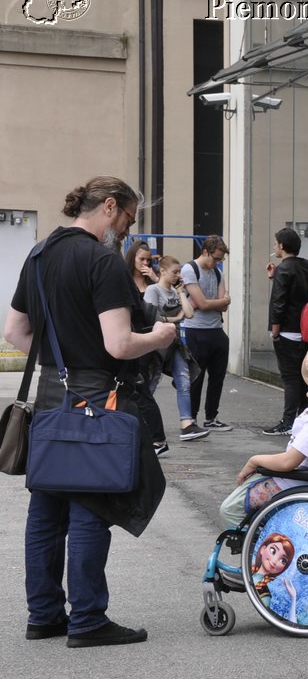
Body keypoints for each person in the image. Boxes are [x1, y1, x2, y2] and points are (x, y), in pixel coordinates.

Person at [4, 176, 177, 647]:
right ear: (108, 206)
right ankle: (86, 620)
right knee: (89, 506)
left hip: (50, 396)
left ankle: (43, 616)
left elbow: (15, 332)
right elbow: (119, 343)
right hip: (96, 397)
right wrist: (160, 337)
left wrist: (58, 358)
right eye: (127, 218)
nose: (126, 229)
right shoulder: (102, 261)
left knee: (46, 508)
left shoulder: (39, 255)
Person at [220, 363, 308, 525]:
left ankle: (265, 543)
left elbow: (288, 462)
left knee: (229, 509)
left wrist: (254, 460)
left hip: (296, 484)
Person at [144, 254, 208, 442]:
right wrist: (175, 318)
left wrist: (181, 291)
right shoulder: (153, 290)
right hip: (156, 344)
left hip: (174, 344)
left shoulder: (174, 292)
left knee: (184, 380)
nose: (178, 275)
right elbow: (152, 317)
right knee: (150, 384)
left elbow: (188, 314)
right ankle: (143, 421)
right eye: (175, 272)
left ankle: (187, 424)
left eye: (179, 272)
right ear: (162, 271)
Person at [264, 227, 308, 435]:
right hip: (304, 329)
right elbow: (303, 291)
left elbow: (279, 302)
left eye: (276, 244)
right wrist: (274, 277)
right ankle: (305, 416)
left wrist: (275, 332)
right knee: (303, 377)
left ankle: (287, 422)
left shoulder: (284, 268)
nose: (274, 247)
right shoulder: (305, 265)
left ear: (282, 246)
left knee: (290, 378)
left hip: (286, 331)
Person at [180, 235, 233, 431]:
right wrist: (220, 302)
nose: (218, 263)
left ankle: (211, 417)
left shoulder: (217, 273)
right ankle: (191, 419)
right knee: (197, 377)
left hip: (216, 330)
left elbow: (222, 307)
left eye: (220, 259)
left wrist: (213, 303)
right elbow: (202, 303)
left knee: (217, 377)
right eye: (216, 258)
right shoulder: (190, 269)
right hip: (196, 330)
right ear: (205, 252)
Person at [123, 240, 168, 454]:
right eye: (141, 259)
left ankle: (158, 439)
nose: (145, 263)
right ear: (132, 259)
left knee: (141, 389)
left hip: (149, 341)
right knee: (136, 390)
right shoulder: (124, 281)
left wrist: (155, 280)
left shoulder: (153, 285)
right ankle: (146, 436)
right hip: (130, 338)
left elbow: (168, 307)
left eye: (148, 260)